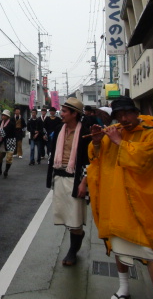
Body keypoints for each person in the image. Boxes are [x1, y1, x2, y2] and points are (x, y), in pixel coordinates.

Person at [87, 96, 153, 299]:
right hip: (117, 202)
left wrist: (119, 142)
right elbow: (98, 160)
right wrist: (97, 142)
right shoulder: (115, 133)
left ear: (136, 112)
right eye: (118, 116)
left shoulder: (150, 132)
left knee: (152, 250)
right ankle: (123, 288)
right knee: (119, 247)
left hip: (141, 202)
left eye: (126, 114)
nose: (123, 119)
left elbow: (146, 160)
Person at [45, 98, 91, 267]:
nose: (61, 114)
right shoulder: (59, 129)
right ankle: (76, 238)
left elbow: (89, 160)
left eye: (64, 111)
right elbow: (52, 155)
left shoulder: (85, 132)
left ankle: (73, 250)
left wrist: (84, 183)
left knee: (75, 217)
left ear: (74, 114)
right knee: (65, 215)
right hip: (60, 176)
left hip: (76, 179)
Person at [0, 109, 16, 178]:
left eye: (5, 115)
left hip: (10, 142)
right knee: (0, 157)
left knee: (9, 158)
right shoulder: (1, 122)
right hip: (3, 142)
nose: (3, 116)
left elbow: (4, 132)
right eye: (2, 115)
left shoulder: (11, 123)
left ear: (8, 117)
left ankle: (6, 171)